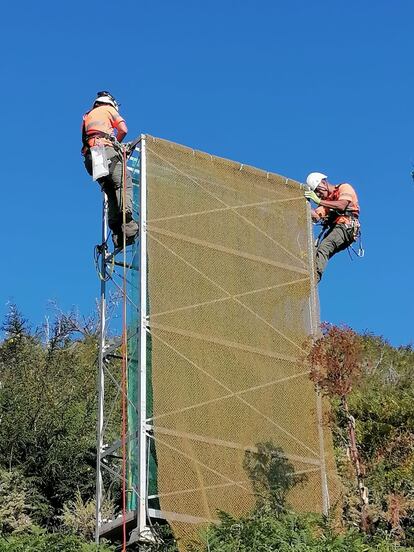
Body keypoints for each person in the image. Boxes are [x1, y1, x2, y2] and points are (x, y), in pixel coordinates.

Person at [82, 91, 138, 249]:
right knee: (122, 184)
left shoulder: (87, 117)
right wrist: (117, 144)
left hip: (91, 158)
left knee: (110, 191)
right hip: (106, 151)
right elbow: (123, 129)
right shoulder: (108, 110)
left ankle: (117, 233)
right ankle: (128, 227)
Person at [304, 172, 360, 282]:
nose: (318, 194)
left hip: (346, 226)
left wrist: (319, 201)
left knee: (324, 247)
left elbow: (342, 205)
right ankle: (311, 275)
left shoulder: (344, 188)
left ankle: (314, 278)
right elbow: (316, 216)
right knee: (316, 252)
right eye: (315, 193)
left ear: (323, 183)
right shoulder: (327, 202)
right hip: (339, 229)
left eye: (317, 191)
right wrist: (302, 206)